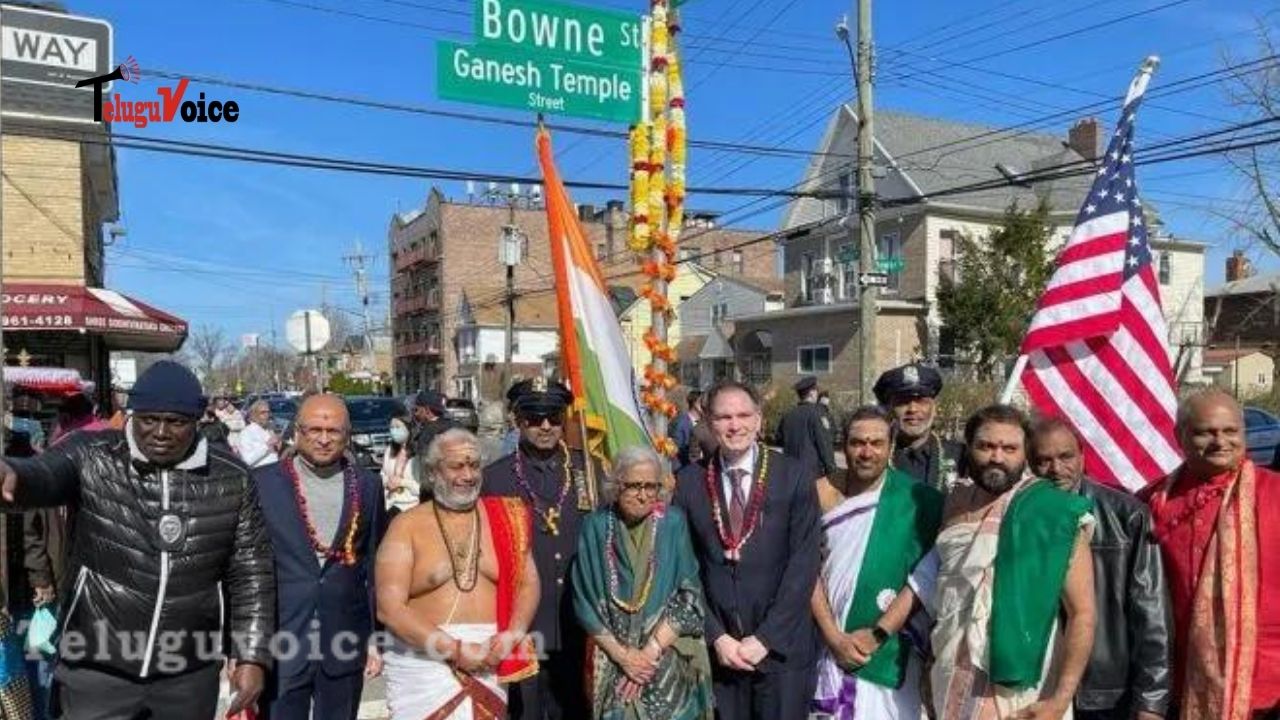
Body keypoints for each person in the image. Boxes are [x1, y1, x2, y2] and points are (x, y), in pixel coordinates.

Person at [0, 360, 273, 720]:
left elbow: (251, 572)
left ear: (197, 421)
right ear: (131, 415)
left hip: (187, 674)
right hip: (96, 670)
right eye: (148, 419)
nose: (160, 432)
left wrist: (252, 655)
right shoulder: (92, 456)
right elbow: (44, 474)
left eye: (175, 422)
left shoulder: (232, 479)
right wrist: (14, 475)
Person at [930, 404, 1095, 720]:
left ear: (1025, 455)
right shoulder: (953, 505)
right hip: (949, 673)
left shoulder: (1052, 512)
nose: (997, 457)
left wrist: (1060, 700)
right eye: (986, 446)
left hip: (1022, 693)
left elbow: (1083, 614)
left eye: (1009, 448)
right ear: (969, 447)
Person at [673, 380, 821, 720]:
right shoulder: (690, 482)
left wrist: (766, 638)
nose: (735, 425)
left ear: (758, 420)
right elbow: (684, 568)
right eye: (724, 417)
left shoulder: (793, 475)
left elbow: (804, 562)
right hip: (721, 654)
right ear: (709, 422)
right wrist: (716, 636)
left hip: (781, 651)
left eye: (743, 415)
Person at [377, 428, 539, 719]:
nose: (467, 475)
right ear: (433, 472)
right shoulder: (406, 526)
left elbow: (529, 584)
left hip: (490, 658)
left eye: (474, 465)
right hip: (425, 666)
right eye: (456, 466)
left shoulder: (505, 518)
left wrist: (512, 635)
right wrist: (454, 650)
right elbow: (390, 609)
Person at [1143, 389, 1280, 718]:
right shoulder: (1151, 501)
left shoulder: (1274, 494)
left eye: (1231, 431)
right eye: (1206, 432)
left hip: (1265, 686)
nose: (1221, 442)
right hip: (1176, 685)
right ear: (1180, 436)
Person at [254, 394, 389, 720]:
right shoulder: (262, 484)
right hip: (283, 638)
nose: (324, 439)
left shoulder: (368, 486)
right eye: (315, 429)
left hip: (344, 637)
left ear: (347, 435)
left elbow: (374, 563)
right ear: (297, 432)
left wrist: (376, 637)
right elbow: (244, 570)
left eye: (335, 431)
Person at [1031, 418, 1172, 720]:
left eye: (1065, 457)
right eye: (1044, 460)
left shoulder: (1127, 515)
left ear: (1082, 456)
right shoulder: (1018, 517)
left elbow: (1151, 613)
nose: (1056, 469)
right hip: (1037, 686)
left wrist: (1151, 700)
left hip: (1105, 695)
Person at [482, 377, 604, 720]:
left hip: (579, 621)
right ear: (517, 421)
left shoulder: (589, 471)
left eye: (554, 416)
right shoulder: (494, 479)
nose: (546, 426)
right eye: (535, 418)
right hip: (523, 623)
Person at [811, 406, 943, 719]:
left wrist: (877, 634)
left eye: (876, 443)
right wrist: (833, 637)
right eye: (857, 443)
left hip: (890, 652)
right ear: (844, 446)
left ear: (891, 447)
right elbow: (804, 570)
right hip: (824, 645)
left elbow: (924, 577)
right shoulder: (819, 493)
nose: (866, 452)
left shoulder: (918, 501)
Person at [572, 445, 714, 720]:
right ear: (616, 485)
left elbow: (690, 594)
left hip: (666, 655)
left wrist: (647, 655)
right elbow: (584, 602)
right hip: (614, 659)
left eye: (651, 486)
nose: (643, 495)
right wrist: (624, 657)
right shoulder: (596, 526)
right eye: (634, 486)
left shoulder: (673, 523)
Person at [873, 363, 964, 490]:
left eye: (922, 402)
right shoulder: (876, 455)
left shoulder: (960, 456)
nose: (913, 409)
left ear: (934, 408)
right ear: (889, 409)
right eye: (903, 402)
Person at [775, 376, 837, 483]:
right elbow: (824, 444)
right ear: (812, 393)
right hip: (811, 473)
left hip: (790, 472)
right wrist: (831, 469)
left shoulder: (788, 416)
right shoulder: (817, 414)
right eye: (816, 390)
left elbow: (779, 440)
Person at [382, 412, 421, 517]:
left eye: (398, 427)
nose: (394, 430)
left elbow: (421, 487)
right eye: (392, 427)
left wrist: (401, 482)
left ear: (409, 429)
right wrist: (387, 482)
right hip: (390, 504)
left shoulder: (418, 454)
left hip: (411, 507)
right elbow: (383, 474)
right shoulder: (390, 450)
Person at [411, 390, 456, 458]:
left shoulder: (427, 433)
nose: (415, 414)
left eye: (416, 410)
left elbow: (423, 461)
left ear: (427, 410)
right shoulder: (457, 426)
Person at [239, 400, 281, 469]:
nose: (267, 415)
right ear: (254, 415)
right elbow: (247, 461)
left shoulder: (268, 430)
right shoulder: (246, 432)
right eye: (263, 412)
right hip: (260, 472)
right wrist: (267, 445)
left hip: (275, 468)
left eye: (268, 412)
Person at [669, 389, 702, 472]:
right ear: (696, 404)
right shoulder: (680, 423)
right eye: (703, 403)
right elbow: (676, 449)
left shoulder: (704, 423)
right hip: (682, 468)